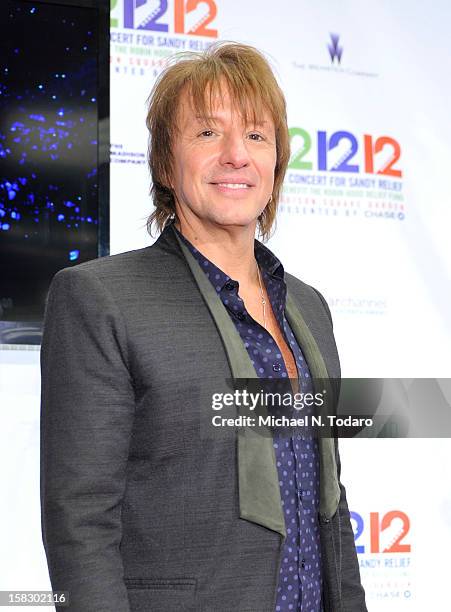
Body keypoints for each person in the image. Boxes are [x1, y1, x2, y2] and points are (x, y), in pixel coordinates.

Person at [40, 42, 367, 611]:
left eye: (257, 136)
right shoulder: (101, 299)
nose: (237, 155)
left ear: (276, 164)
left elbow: (330, 503)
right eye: (208, 133)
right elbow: (80, 523)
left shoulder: (310, 310)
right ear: (167, 164)